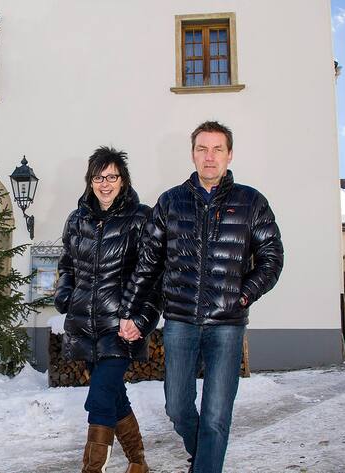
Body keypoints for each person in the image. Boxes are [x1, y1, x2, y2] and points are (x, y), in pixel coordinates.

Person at [118, 121, 284, 473]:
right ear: (193, 154)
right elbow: (148, 263)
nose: (210, 157)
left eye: (217, 149)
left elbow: (272, 258)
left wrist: (244, 295)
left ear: (229, 155)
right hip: (180, 322)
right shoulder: (170, 202)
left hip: (227, 324)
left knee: (216, 416)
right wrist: (129, 310)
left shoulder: (251, 202)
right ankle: (206, 458)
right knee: (177, 407)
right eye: (202, 149)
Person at [55, 146, 160, 473]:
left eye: (112, 177)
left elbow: (154, 275)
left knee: (100, 395)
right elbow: (67, 265)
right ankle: (138, 463)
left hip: (121, 325)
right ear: (90, 181)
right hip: (85, 324)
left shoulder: (141, 218)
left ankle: (92, 468)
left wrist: (141, 320)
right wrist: (64, 295)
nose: (105, 184)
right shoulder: (77, 220)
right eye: (99, 178)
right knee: (113, 395)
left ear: (123, 180)